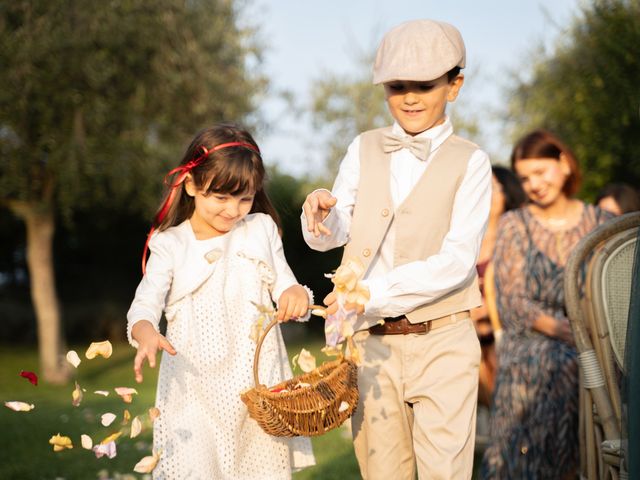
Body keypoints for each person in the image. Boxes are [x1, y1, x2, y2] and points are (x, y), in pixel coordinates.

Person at [301, 19, 492, 479]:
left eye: (424, 86)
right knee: (382, 471)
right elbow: (343, 227)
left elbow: (456, 261)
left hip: (443, 341)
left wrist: (370, 294)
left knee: (444, 471)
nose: (409, 97)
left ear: (454, 86)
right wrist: (323, 216)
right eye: (397, 86)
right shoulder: (363, 147)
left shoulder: (472, 162)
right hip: (372, 346)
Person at [127, 123, 314, 479]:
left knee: (258, 470)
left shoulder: (259, 229)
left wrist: (295, 294)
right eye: (222, 197)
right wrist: (145, 330)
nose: (233, 210)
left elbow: (286, 285)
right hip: (192, 387)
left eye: (244, 198)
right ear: (192, 184)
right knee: (194, 468)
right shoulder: (171, 244)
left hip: (257, 385)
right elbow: (145, 303)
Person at [481, 129, 612, 479]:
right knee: (557, 362)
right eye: (525, 177)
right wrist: (571, 334)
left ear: (565, 164)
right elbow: (513, 302)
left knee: (588, 366)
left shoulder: (601, 224)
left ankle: (586, 464)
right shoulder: (514, 225)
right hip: (533, 340)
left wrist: (592, 337)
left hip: (597, 339)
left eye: (542, 172)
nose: (535, 184)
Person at [472, 166, 527, 408]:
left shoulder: (517, 240)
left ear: (508, 194)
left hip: (506, 332)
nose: (486, 194)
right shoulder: (466, 240)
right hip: (470, 334)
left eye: (492, 188)